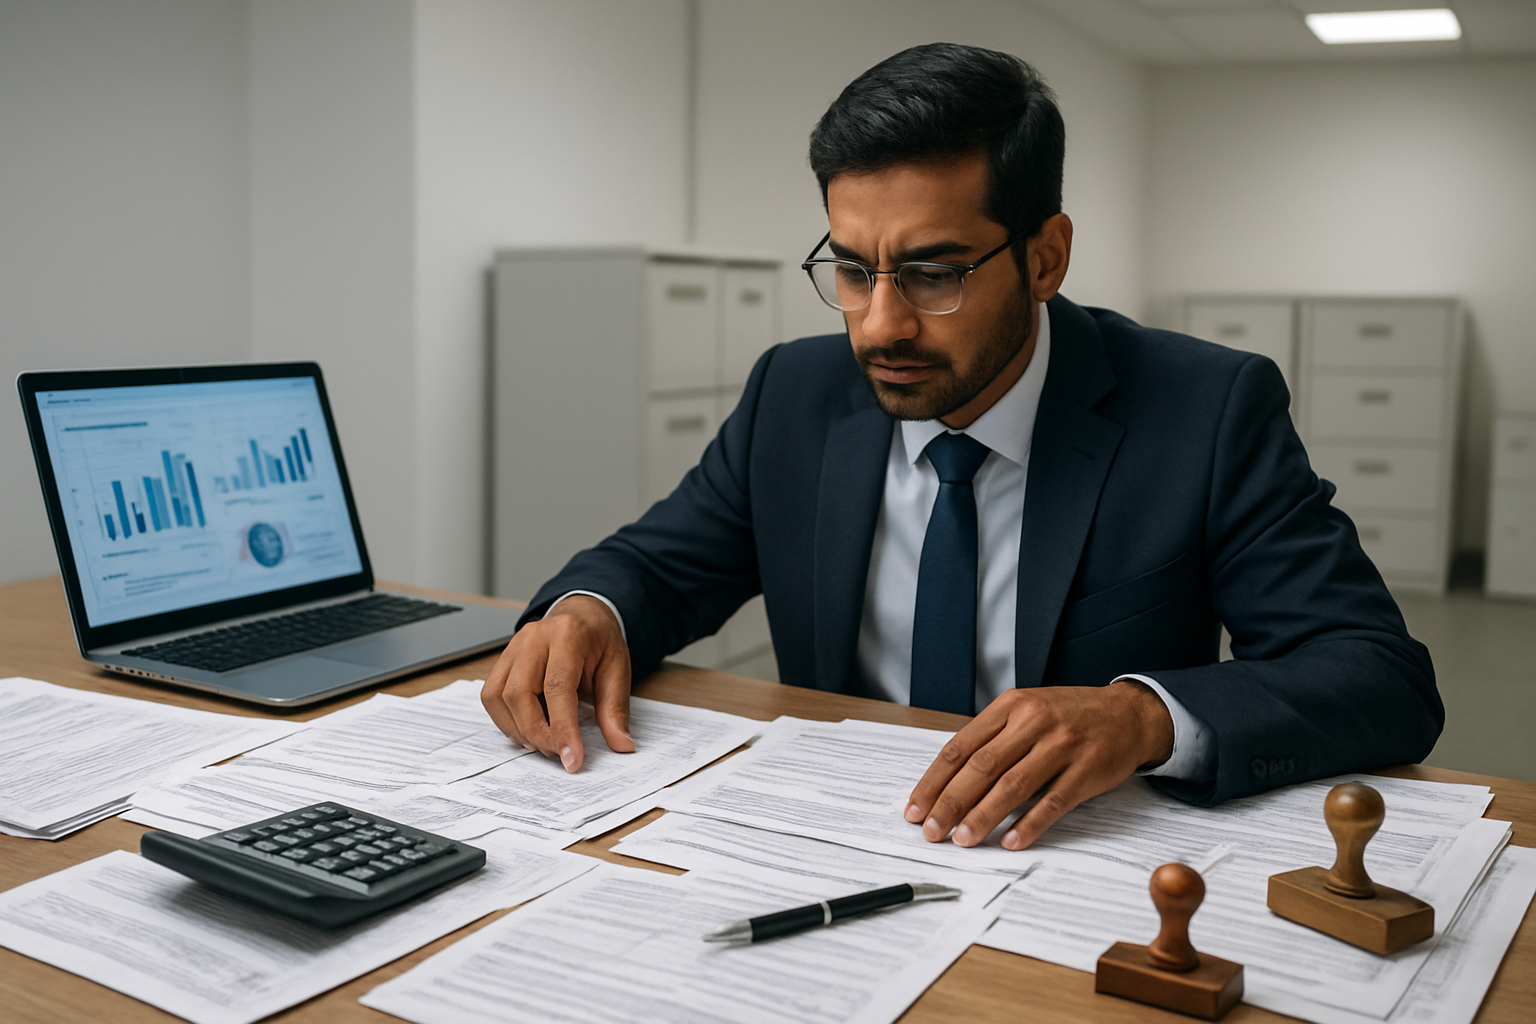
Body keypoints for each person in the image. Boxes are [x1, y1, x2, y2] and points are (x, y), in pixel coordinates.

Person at [481, 42, 1441, 853]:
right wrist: (586, 609)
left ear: (1046, 257)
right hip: (830, 839)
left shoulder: (1204, 408)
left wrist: (1143, 715)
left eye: (934, 273)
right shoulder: (796, 393)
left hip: (1069, 855)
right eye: (853, 271)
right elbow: (660, 562)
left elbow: (1376, 673)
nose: (878, 327)